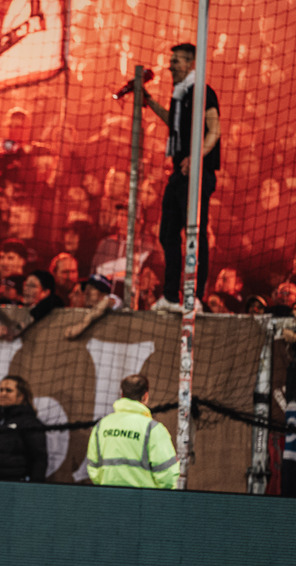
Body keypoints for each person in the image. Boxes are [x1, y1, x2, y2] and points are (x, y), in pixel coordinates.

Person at [143, 43, 221, 312]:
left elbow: (214, 129)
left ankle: (194, 296)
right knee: (167, 233)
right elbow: (175, 123)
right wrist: (150, 102)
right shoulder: (180, 94)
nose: (170, 66)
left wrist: (196, 157)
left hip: (197, 173)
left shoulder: (202, 92)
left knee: (194, 234)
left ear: (190, 63)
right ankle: (171, 296)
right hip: (179, 172)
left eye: (176, 61)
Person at [87, 374, 177, 489]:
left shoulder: (101, 426)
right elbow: (168, 477)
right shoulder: (152, 429)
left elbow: (93, 470)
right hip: (144, 499)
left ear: (122, 395)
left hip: (108, 497)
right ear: (145, 396)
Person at [0, 376, 48, 482]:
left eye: (8, 390)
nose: (3, 394)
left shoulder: (30, 423)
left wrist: (33, 487)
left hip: (14, 485)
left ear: (21, 396)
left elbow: (39, 459)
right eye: (1, 390)